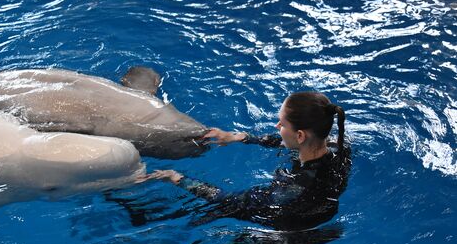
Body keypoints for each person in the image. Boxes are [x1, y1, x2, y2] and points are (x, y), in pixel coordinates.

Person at [141, 91, 351, 230]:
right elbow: (283, 142)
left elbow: (225, 198)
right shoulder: (339, 147)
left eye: (282, 124)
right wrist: (240, 137)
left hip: (294, 229)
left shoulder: (290, 189)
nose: (277, 126)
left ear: (300, 136)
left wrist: (178, 178)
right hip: (324, 213)